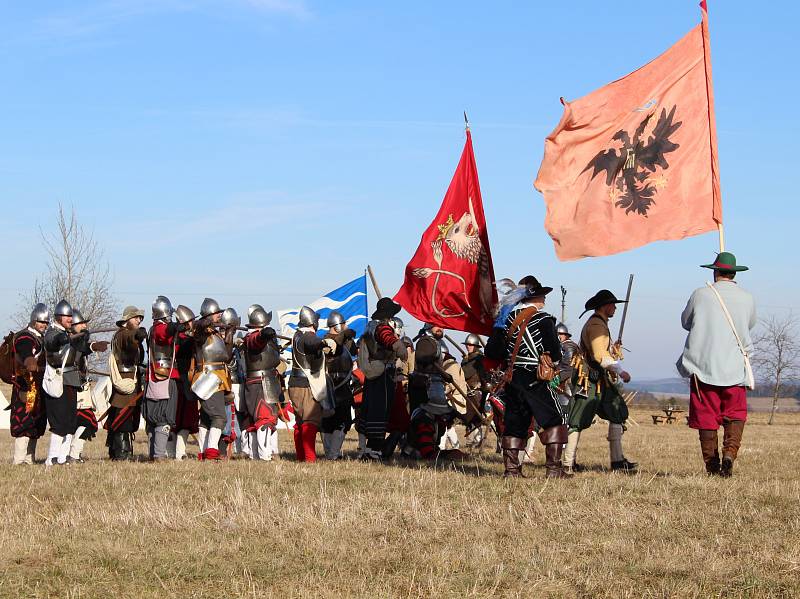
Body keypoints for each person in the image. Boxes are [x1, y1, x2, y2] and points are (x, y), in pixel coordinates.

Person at [678, 252, 756, 477]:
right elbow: (749, 324)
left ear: (715, 272)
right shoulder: (747, 297)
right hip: (734, 366)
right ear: (734, 273)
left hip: (704, 366)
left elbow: (685, 322)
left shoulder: (700, 294)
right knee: (735, 414)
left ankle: (712, 465)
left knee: (706, 416)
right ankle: (730, 453)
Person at [486, 276, 567, 478]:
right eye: (543, 296)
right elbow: (556, 353)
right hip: (535, 377)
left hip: (513, 378)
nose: (544, 300)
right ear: (536, 298)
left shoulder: (506, 320)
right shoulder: (543, 319)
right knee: (554, 418)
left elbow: (492, 351)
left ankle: (512, 470)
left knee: (515, 423)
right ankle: (554, 470)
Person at [568, 290, 637, 474]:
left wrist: (613, 349)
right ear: (605, 306)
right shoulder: (597, 325)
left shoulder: (599, 323)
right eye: (613, 304)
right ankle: (568, 462)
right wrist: (621, 372)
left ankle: (617, 461)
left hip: (599, 379)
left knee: (617, 411)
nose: (615, 307)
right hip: (588, 379)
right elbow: (600, 356)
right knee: (577, 420)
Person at [357, 298, 407, 460]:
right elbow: (388, 339)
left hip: (374, 374)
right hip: (382, 374)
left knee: (373, 411)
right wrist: (399, 347)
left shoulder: (370, 326)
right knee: (379, 411)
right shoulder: (381, 327)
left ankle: (371, 449)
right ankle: (374, 450)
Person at [288, 306, 336, 462]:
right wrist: (323, 343)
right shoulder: (308, 336)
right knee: (310, 421)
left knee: (300, 422)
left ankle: (302, 457)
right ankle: (309, 458)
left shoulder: (297, 335)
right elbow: (313, 343)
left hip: (295, 383)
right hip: (305, 385)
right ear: (313, 323)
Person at [191, 298, 234, 461]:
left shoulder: (215, 333)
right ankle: (211, 450)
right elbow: (199, 326)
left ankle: (203, 451)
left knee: (207, 418)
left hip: (218, 377)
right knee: (219, 417)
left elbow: (226, 357)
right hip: (207, 377)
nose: (220, 316)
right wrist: (208, 322)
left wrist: (229, 334)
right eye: (217, 313)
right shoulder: (202, 331)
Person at [142, 296, 182, 462]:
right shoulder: (159, 328)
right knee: (162, 417)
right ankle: (158, 455)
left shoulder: (155, 328)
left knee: (155, 418)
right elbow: (165, 333)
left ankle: (155, 453)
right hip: (164, 377)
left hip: (157, 377)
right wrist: (176, 327)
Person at [9, 303, 50, 465]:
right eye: (41, 322)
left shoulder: (41, 338)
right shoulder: (25, 336)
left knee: (36, 422)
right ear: (34, 321)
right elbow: (25, 348)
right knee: (24, 421)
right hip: (25, 386)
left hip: (38, 387)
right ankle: (18, 460)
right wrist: (28, 359)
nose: (44, 325)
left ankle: (29, 459)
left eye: (46, 323)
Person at [105, 306, 147, 461]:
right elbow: (129, 338)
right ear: (127, 319)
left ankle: (120, 452)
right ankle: (121, 454)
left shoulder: (128, 334)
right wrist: (137, 334)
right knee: (122, 419)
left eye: (140, 318)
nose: (139, 320)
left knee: (127, 418)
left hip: (132, 379)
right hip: (124, 381)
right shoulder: (122, 335)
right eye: (135, 317)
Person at [241, 305, 281, 461]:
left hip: (268, 380)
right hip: (259, 382)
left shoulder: (266, 338)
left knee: (267, 418)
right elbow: (256, 341)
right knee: (264, 418)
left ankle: (260, 454)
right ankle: (264, 456)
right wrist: (264, 335)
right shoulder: (252, 337)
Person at [67, 309, 106, 463]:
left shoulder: (77, 341)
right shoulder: (69, 341)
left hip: (80, 386)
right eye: (81, 323)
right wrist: (92, 346)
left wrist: (93, 345)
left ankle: (73, 453)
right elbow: (79, 349)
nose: (85, 325)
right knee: (86, 422)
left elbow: (84, 347)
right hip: (73, 387)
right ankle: (73, 454)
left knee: (83, 422)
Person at [321, 311, 357, 460]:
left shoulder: (345, 341)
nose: (346, 326)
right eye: (343, 324)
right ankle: (332, 453)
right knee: (329, 421)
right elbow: (334, 347)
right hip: (329, 385)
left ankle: (332, 453)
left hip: (343, 385)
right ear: (337, 326)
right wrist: (345, 334)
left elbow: (352, 351)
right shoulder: (325, 342)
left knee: (343, 421)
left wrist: (348, 336)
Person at [171, 305, 199, 460]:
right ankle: (177, 453)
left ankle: (176, 452)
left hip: (182, 381)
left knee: (180, 420)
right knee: (180, 420)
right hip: (181, 382)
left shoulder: (182, 338)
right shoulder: (182, 340)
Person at [461, 333, 488, 447]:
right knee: (469, 417)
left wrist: (465, 362)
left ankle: (476, 441)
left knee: (476, 418)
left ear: (475, 346)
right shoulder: (468, 358)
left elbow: (467, 373)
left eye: (470, 345)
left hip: (476, 391)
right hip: (468, 390)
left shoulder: (478, 359)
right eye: (467, 345)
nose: (468, 347)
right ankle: (471, 441)